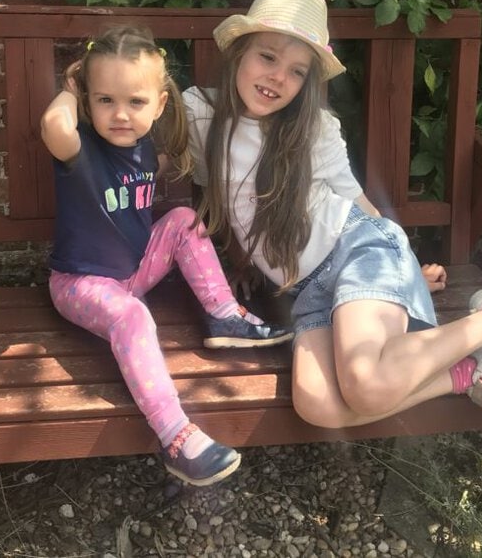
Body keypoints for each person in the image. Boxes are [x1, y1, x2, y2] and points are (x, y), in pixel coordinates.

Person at [183, 0, 482, 428]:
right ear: (239, 51)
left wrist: (403, 270)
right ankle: (470, 370)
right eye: (268, 57)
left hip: (358, 252)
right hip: (309, 291)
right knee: (317, 404)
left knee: (365, 383)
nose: (278, 78)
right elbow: (218, 191)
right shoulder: (200, 114)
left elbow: (358, 203)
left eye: (296, 71)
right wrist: (242, 261)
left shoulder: (314, 129)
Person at [40, 25, 293, 487]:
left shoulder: (144, 148)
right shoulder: (78, 149)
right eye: (104, 101)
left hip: (133, 272)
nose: (120, 115)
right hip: (81, 284)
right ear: (87, 103)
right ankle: (177, 437)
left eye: (135, 102)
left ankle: (225, 317)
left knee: (183, 219)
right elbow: (54, 125)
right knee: (132, 317)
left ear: (158, 105)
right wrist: (68, 90)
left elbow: (171, 183)